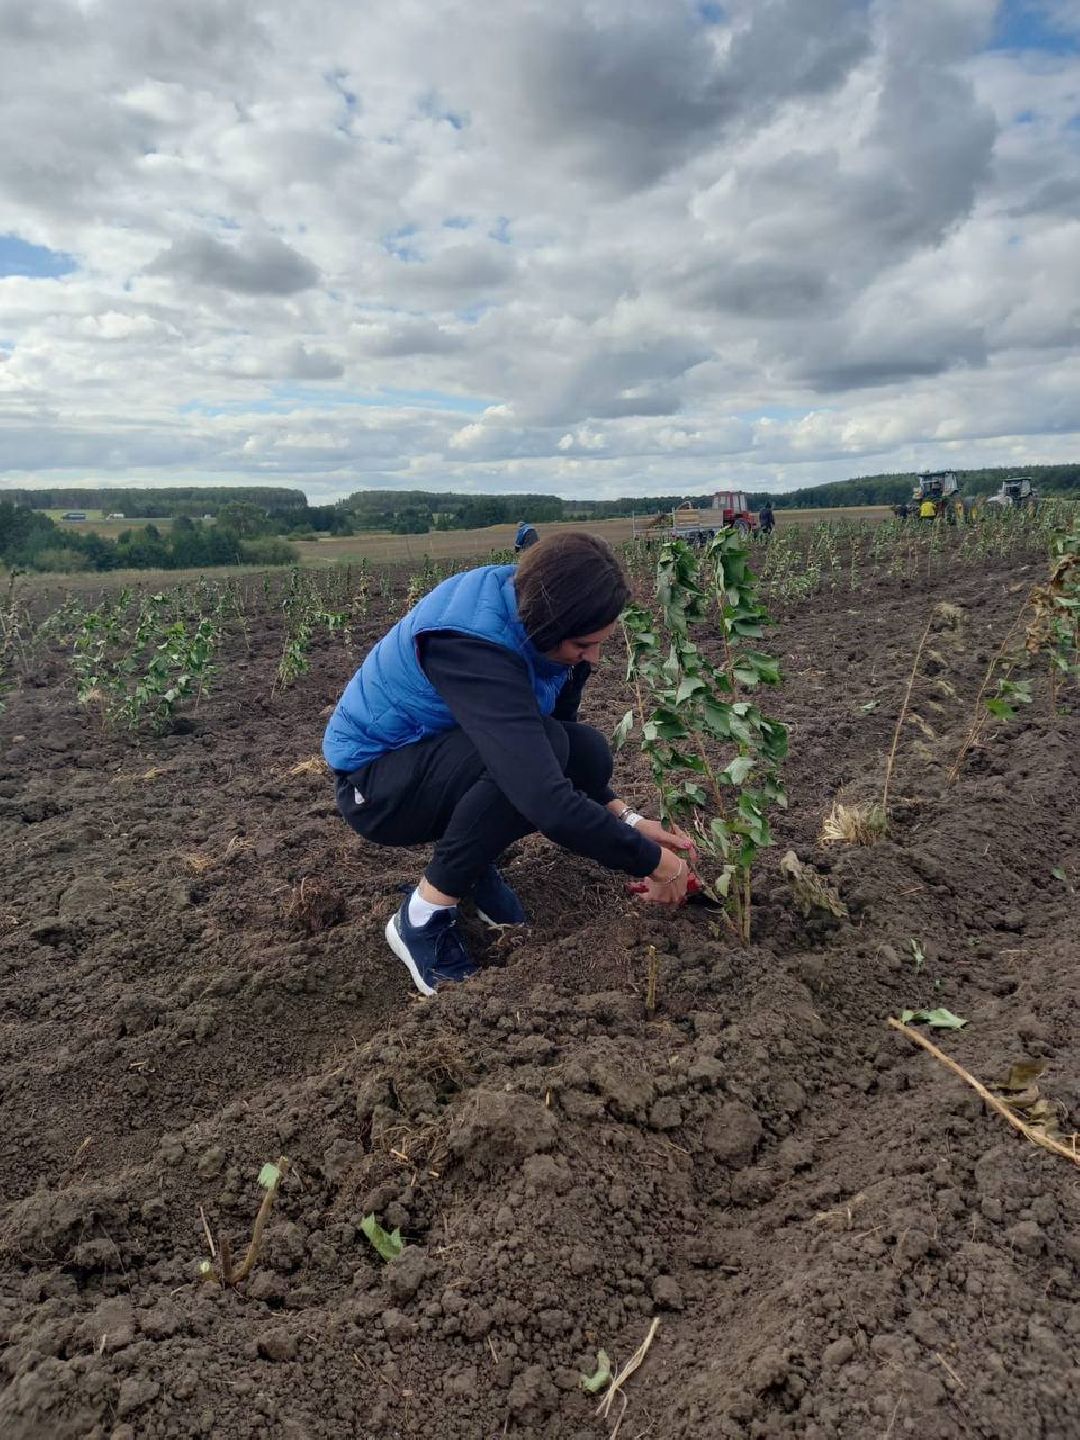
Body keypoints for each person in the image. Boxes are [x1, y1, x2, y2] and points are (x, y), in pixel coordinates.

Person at [323, 532, 695, 996]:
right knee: (531, 768)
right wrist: (660, 865)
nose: (594, 657)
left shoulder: (548, 630)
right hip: (376, 786)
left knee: (582, 749)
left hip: (435, 756)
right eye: (584, 644)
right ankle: (422, 917)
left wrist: (629, 818)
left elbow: (562, 750)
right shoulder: (471, 643)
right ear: (547, 623)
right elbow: (545, 796)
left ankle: (472, 866)